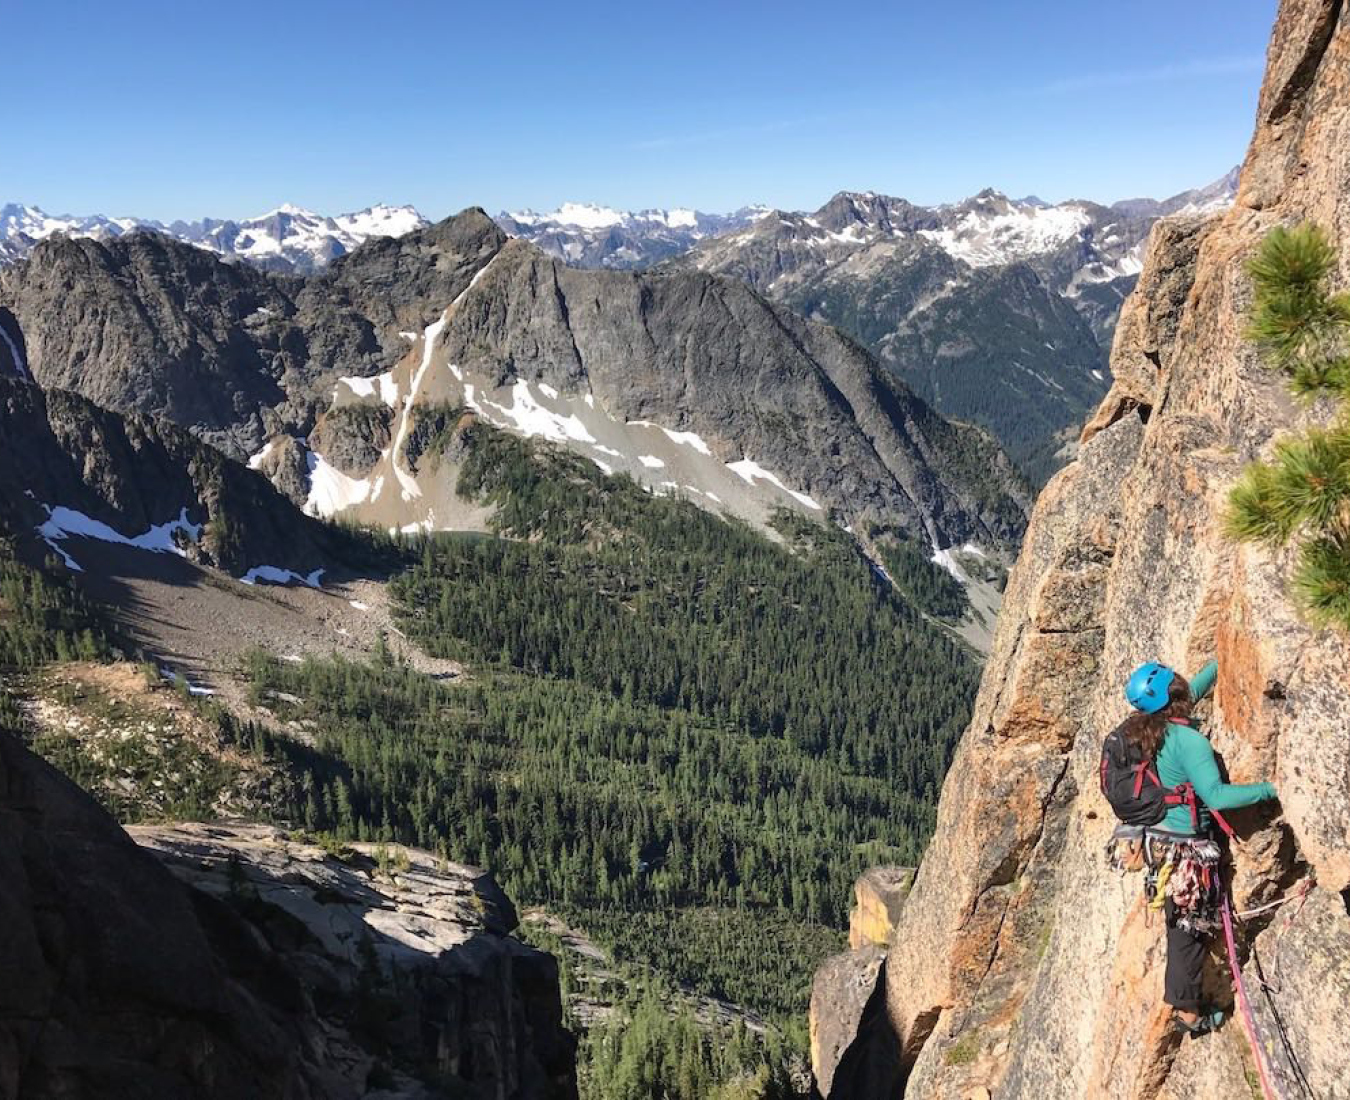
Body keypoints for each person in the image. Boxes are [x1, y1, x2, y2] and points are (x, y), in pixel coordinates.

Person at [1121, 659, 1278, 1035]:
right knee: (1186, 932)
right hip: (1188, 849)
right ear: (1171, 694)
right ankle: (1187, 1012)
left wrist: (1224, 661)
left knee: (1181, 923)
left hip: (1160, 838)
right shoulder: (1188, 741)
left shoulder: (1145, 729)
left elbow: (1190, 692)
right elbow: (1217, 796)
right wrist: (1273, 789)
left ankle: (1185, 1001)